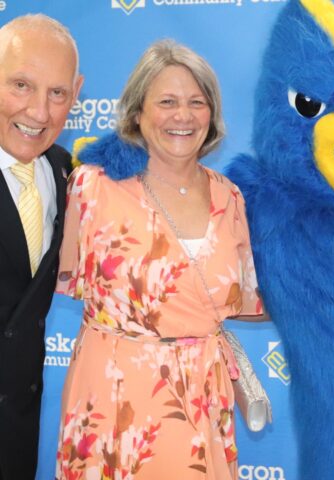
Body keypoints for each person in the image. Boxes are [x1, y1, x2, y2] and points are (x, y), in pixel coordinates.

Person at [54, 40, 263, 479]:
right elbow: (48, 277)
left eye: (196, 102)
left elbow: (246, 299)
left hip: (203, 401)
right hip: (114, 400)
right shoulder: (92, 187)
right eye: (166, 102)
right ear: (137, 113)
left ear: (212, 114)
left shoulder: (231, 197)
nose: (182, 116)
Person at [0, 14, 82, 479]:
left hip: (16, 440)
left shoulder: (72, 175)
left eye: (57, 93)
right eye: (21, 85)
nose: (39, 112)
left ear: (77, 92)